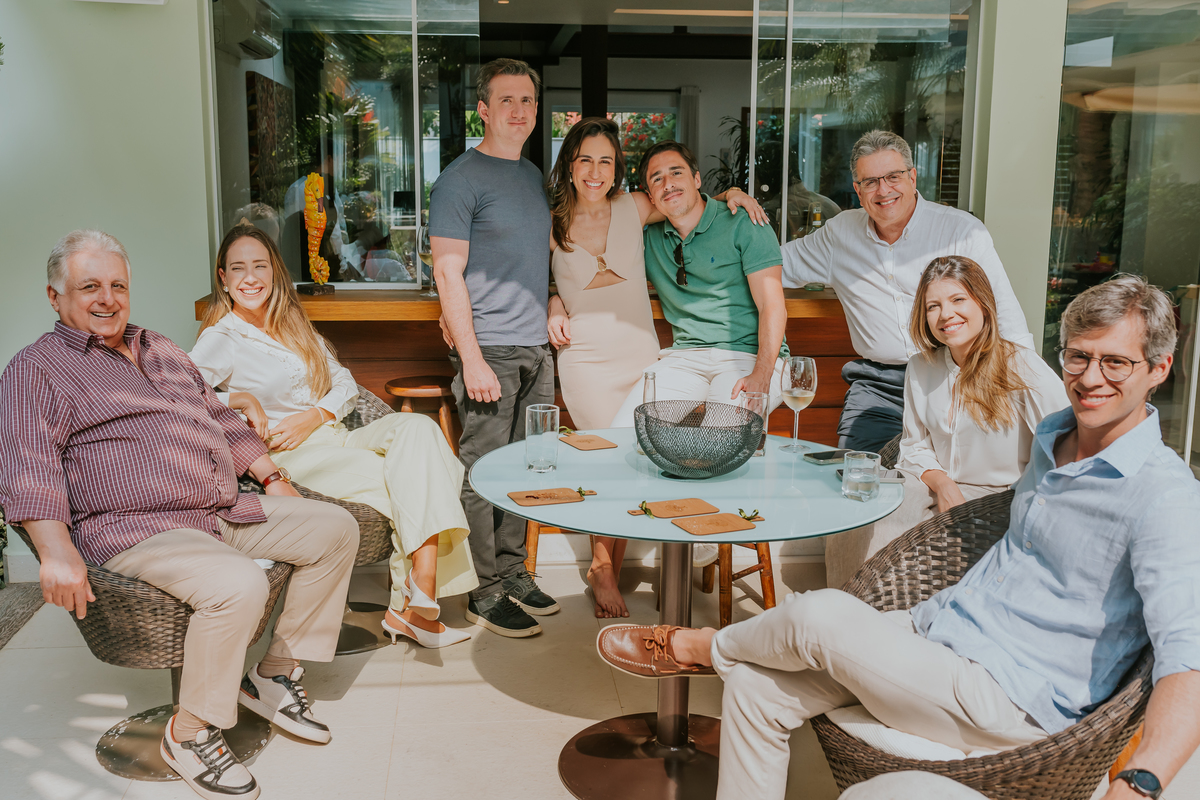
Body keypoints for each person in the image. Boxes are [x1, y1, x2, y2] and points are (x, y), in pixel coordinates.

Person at [597, 274, 1200, 800]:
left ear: (1159, 370)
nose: (1090, 377)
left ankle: (700, 647)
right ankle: (732, 658)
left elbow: (1190, 657)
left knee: (820, 615)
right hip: (942, 632)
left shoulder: (1164, 496)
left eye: (1115, 362)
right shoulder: (1054, 434)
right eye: (1078, 357)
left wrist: (1140, 782)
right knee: (757, 687)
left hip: (1012, 696)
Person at [0, 230, 360, 800]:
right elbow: (27, 463)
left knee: (335, 528)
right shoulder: (35, 369)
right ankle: (189, 734)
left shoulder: (160, 348)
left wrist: (273, 477)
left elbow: (221, 417)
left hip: (218, 507)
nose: (107, 298)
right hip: (136, 528)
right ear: (55, 297)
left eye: (117, 285)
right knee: (240, 584)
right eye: (89, 286)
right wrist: (54, 550)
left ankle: (274, 675)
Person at [190, 224, 476, 649]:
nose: (250, 278)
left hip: (337, 433)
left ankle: (420, 591)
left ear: (274, 271)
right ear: (223, 279)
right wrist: (241, 398)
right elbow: (177, 393)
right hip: (297, 455)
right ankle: (417, 602)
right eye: (238, 268)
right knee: (423, 475)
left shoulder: (292, 325)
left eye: (259, 266)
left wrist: (315, 413)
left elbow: (342, 381)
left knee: (421, 430)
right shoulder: (222, 338)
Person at [544, 118, 768, 618]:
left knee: (643, 460)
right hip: (586, 360)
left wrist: (734, 192)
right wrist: (553, 301)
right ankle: (603, 567)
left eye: (606, 161)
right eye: (585, 160)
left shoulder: (635, 207)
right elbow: (527, 275)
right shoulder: (550, 221)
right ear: (570, 166)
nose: (596, 171)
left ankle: (625, 562)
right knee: (611, 459)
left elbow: (685, 199)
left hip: (643, 356)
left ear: (618, 170)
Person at [823, 255, 1068, 589]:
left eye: (957, 300)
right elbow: (913, 445)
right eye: (933, 306)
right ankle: (844, 596)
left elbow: (1064, 442)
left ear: (983, 303)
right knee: (865, 501)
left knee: (900, 525)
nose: (946, 315)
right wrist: (943, 485)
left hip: (999, 495)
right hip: (930, 481)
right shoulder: (921, 367)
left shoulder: (1021, 367)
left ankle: (867, 602)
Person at [782, 130, 1034, 453]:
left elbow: (1006, 316)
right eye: (870, 181)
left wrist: (1029, 394)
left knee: (958, 479)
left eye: (893, 176)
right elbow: (770, 265)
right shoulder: (839, 235)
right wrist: (723, 213)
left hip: (956, 375)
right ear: (858, 191)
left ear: (913, 177)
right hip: (879, 387)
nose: (883, 190)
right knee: (857, 475)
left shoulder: (960, 232)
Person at [430, 58, 559, 638]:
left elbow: (541, 259)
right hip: (492, 352)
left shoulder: (534, 175)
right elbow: (447, 271)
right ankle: (483, 590)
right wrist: (472, 355)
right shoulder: (461, 178)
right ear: (482, 109)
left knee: (530, 468)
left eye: (527, 101)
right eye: (506, 100)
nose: (519, 110)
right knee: (483, 471)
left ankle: (514, 572)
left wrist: (553, 302)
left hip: (537, 348)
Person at [609, 139, 790, 426]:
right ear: (651, 198)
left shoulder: (744, 222)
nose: (668, 183)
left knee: (718, 444)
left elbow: (772, 304)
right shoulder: (648, 238)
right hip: (684, 358)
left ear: (696, 179)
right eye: (657, 179)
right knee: (625, 434)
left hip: (747, 355)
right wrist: (555, 299)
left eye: (676, 172)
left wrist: (762, 373)